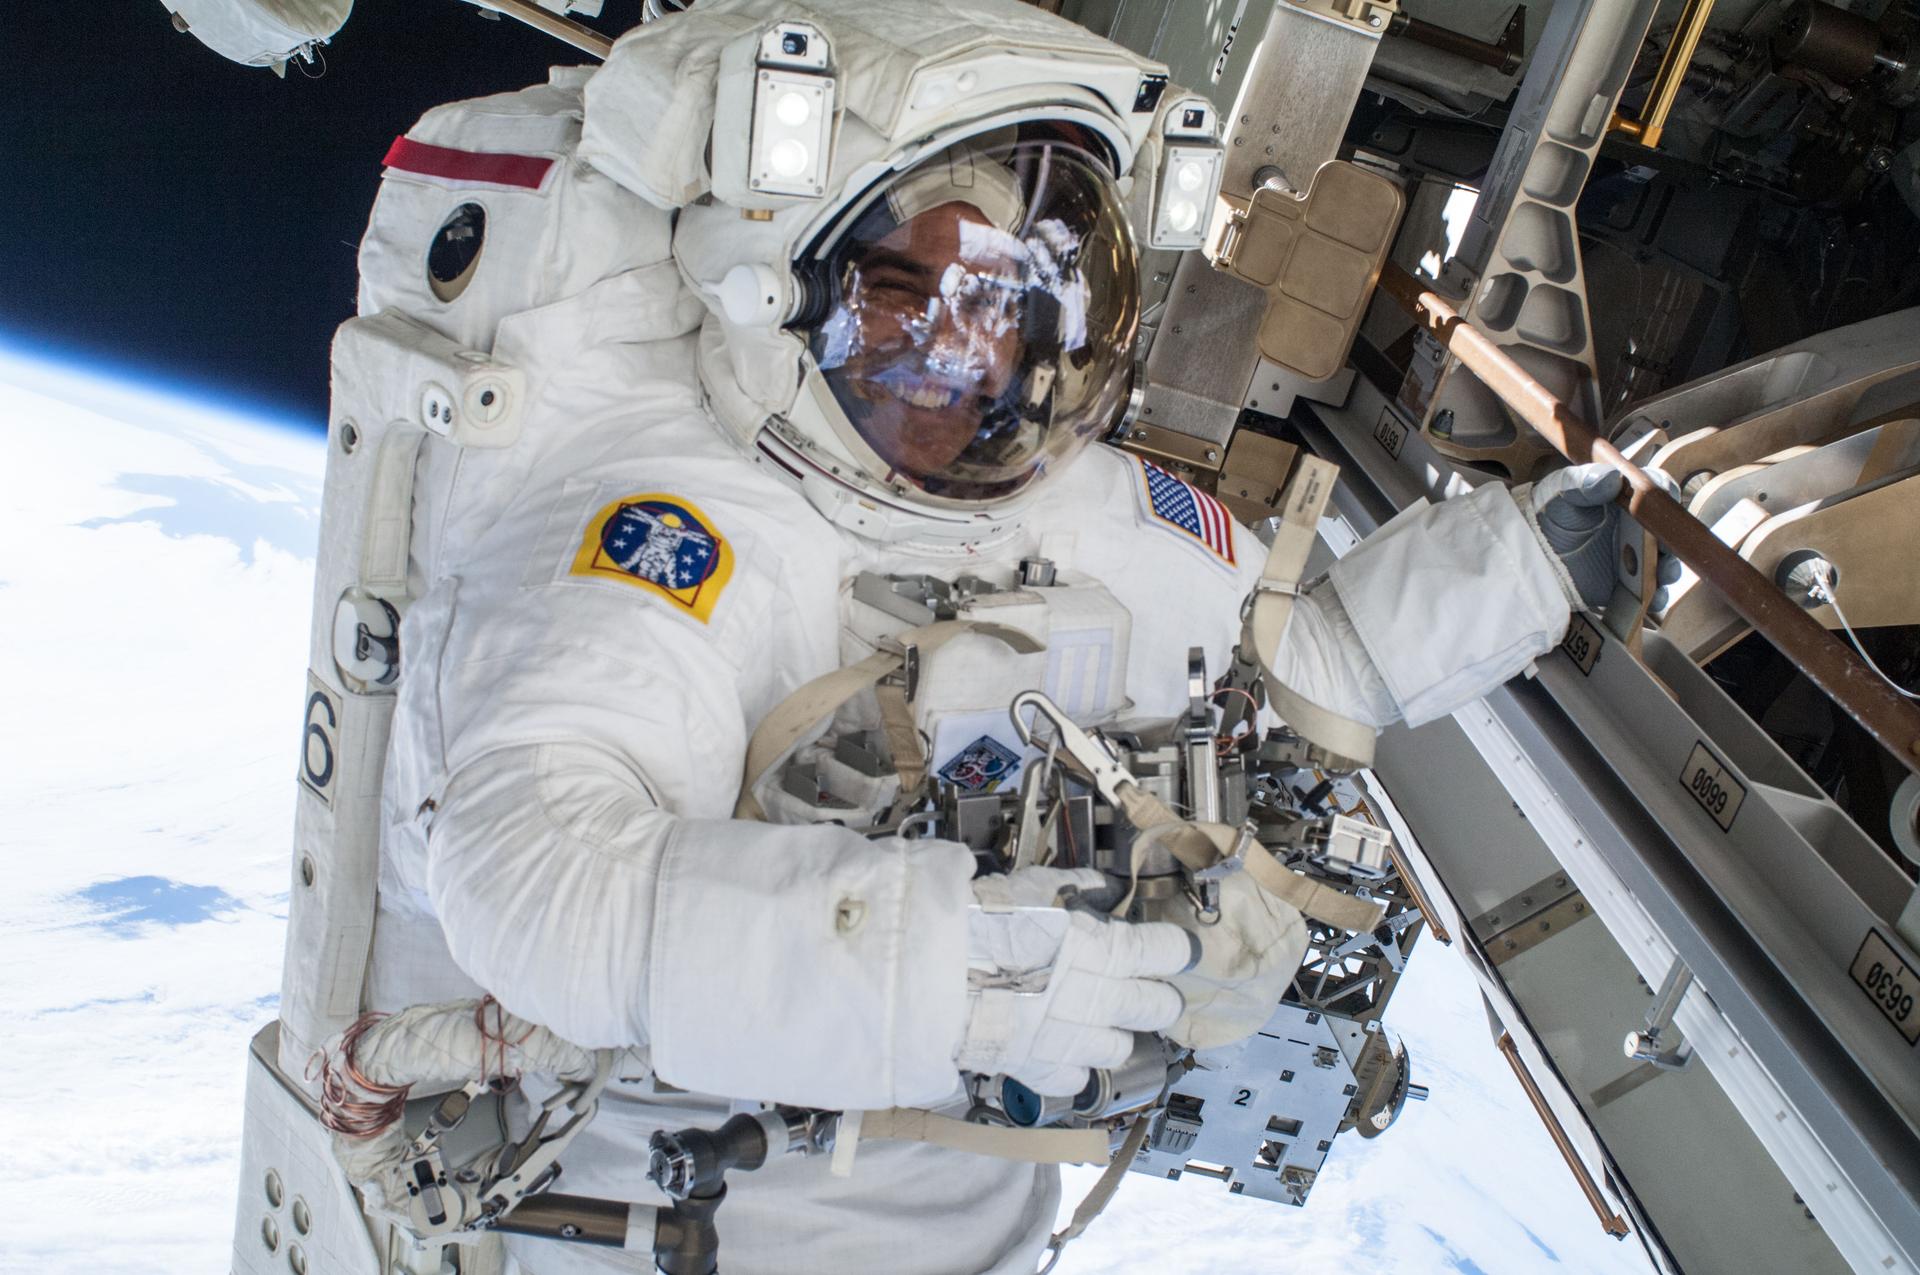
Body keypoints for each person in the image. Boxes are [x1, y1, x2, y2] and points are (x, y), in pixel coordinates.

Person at [370, 2, 1640, 1270]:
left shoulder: (1091, 510)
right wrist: (966, 981)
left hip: (976, 1223)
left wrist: (1520, 565)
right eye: (900, 292)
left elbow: (1302, 664)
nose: (955, 357)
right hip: (690, 1218)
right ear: (773, 280)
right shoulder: (671, 526)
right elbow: (535, 885)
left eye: (1004, 310)